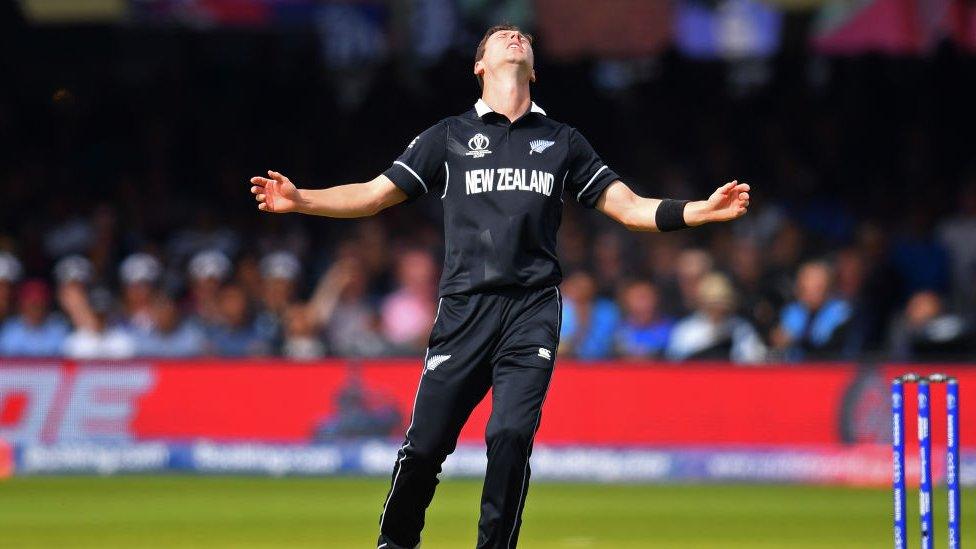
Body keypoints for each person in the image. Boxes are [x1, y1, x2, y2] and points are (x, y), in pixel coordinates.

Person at [248, 24, 750, 549]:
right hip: (464, 309)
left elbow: (629, 207)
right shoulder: (448, 136)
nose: (515, 36)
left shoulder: (562, 141)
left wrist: (698, 211)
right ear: (479, 66)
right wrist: (301, 199)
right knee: (423, 449)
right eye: (500, 36)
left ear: (533, 69)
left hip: (531, 308)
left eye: (522, 37)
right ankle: (394, 543)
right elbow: (374, 195)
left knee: (509, 436)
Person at [666, 272, 766, 363]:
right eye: (713, 303)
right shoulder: (686, 330)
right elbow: (675, 364)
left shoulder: (741, 328)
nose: (718, 308)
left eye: (722, 302)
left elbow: (754, 360)